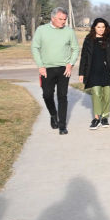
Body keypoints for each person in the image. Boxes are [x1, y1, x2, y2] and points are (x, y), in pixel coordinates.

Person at [31, 7, 79, 135]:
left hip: (64, 69)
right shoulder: (41, 30)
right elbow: (35, 48)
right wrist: (40, 66)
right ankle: (53, 114)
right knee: (47, 95)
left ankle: (62, 126)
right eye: (60, 19)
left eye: (65, 19)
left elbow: (75, 49)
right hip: (46, 69)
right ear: (53, 18)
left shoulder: (69, 32)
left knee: (62, 96)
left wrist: (70, 64)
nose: (63, 22)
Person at [77, 18, 110, 130]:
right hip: (93, 72)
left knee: (107, 95)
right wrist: (81, 73)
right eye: (98, 27)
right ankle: (97, 118)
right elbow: (84, 57)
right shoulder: (88, 39)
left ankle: (105, 117)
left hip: (109, 72)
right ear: (94, 28)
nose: (101, 29)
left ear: (106, 27)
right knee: (96, 93)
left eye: (103, 27)